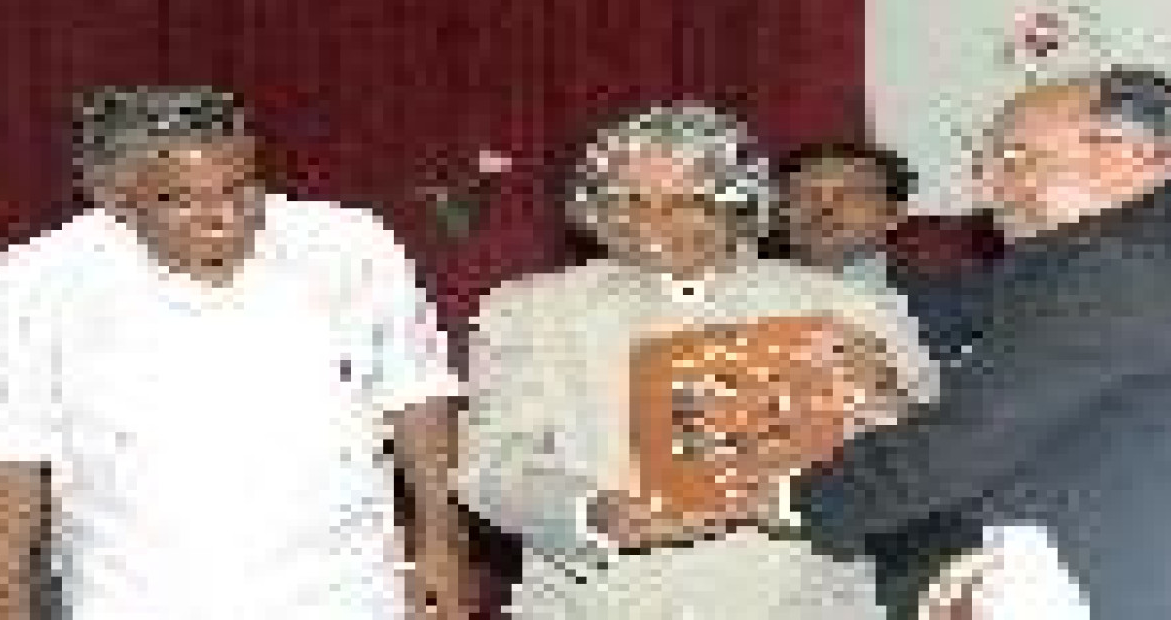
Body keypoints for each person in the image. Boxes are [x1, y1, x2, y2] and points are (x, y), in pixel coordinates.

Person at [457, 103, 1079, 620]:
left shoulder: (843, 305)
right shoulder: (527, 311)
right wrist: (592, 514)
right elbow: (492, 467)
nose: (652, 222)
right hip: (595, 600)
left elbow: (931, 455)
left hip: (799, 598)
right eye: (628, 201)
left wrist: (888, 398)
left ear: (739, 205)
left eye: (686, 200)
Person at [791, 66, 1171, 620]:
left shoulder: (1116, 259)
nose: (987, 190)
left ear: (1126, 152)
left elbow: (963, 444)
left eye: (1014, 158)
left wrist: (787, 499)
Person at [0, 87, 469, 620]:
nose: (224, 217)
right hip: (135, 593)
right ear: (113, 200)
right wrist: (6, 601)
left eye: (240, 189)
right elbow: (10, 455)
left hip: (346, 587)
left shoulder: (350, 245)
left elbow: (417, 393)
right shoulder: (36, 282)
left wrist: (441, 542)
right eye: (180, 201)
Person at [778, 142, 999, 360]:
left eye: (849, 193)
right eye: (803, 195)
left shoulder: (955, 308)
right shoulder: (762, 293)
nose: (823, 208)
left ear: (894, 214)